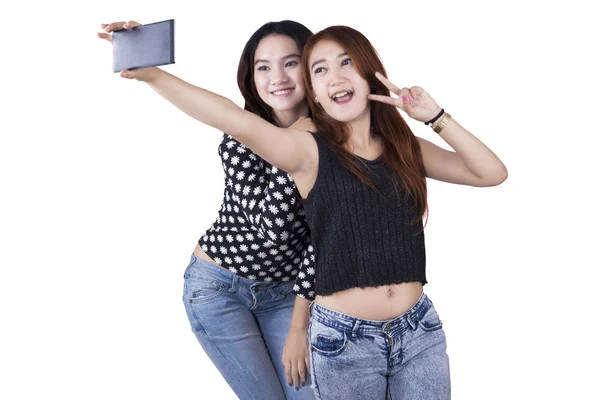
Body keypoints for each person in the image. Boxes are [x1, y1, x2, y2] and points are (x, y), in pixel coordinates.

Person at [101, 21, 507, 399]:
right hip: (256, 298)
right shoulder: (299, 149)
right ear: (314, 90)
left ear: (369, 73)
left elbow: (491, 174)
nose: (335, 76)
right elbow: (232, 123)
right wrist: (150, 73)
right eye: (321, 69)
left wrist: (433, 116)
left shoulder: (402, 147)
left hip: (408, 327)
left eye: (346, 62)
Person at [98, 20, 317, 399]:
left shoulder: (336, 141)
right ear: (251, 76)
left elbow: (325, 239)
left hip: (286, 292)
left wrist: (300, 325)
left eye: (290, 63)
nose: (277, 77)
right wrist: (300, 141)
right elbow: (275, 229)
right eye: (263, 67)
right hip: (219, 288)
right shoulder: (241, 140)